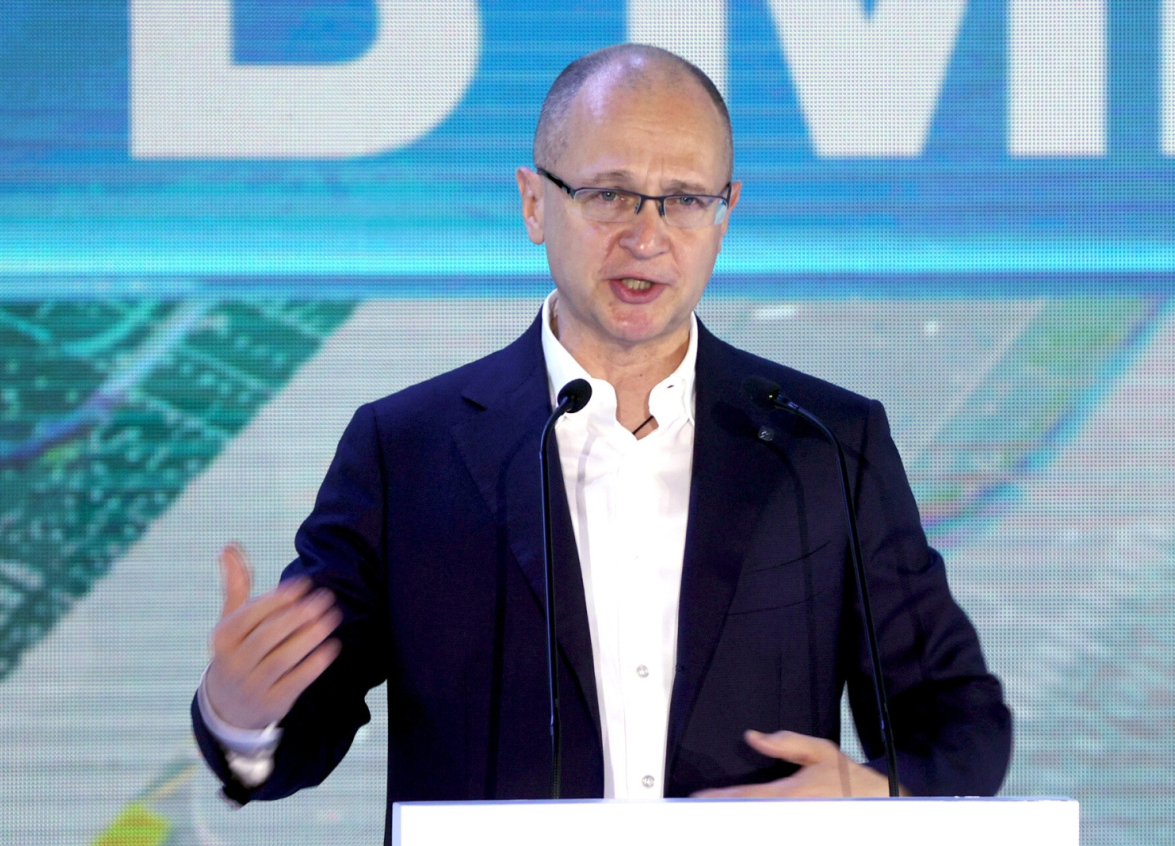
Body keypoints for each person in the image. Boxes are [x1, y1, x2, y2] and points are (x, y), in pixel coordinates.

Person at [192, 43, 1011, 830]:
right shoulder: (408, 450)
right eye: (611, 195)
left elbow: (959, 718)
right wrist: (242, 714)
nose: (647, 237)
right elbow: (301, 729)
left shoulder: (824, 444)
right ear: (534, 203)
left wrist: (875, 794)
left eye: (685, 199)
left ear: (725, 213)